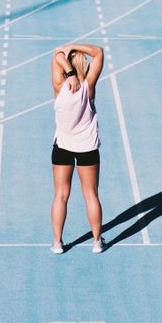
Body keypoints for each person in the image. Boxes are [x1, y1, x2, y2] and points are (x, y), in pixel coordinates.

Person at [50, 43, 105, 254]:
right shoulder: (88, 85)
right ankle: (97, 242)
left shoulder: (58, 85)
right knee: (91, 195)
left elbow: (56, 54)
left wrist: (67, 66)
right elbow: (99, 51)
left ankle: (57, 243)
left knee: (61, 195)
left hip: (62, 146)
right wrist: (75, 46)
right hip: (87, 148)